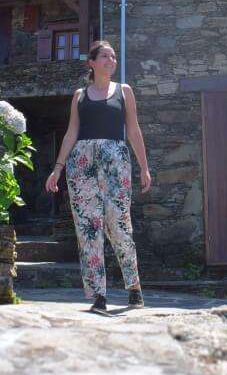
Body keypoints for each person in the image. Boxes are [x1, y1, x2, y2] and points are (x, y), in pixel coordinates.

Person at [45, 40, 152, 313]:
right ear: (91, 62)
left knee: (119, 223)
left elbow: (134, 130)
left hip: (116, 162)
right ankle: (99, 296)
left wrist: (144, 166)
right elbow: (71, 132)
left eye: (113, 56)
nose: (111, 60)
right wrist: (58, 167)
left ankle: (134, 287)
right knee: (88, 229)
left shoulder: (124, 91)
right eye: (105, 56)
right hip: (82, 163)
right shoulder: (79, 95)